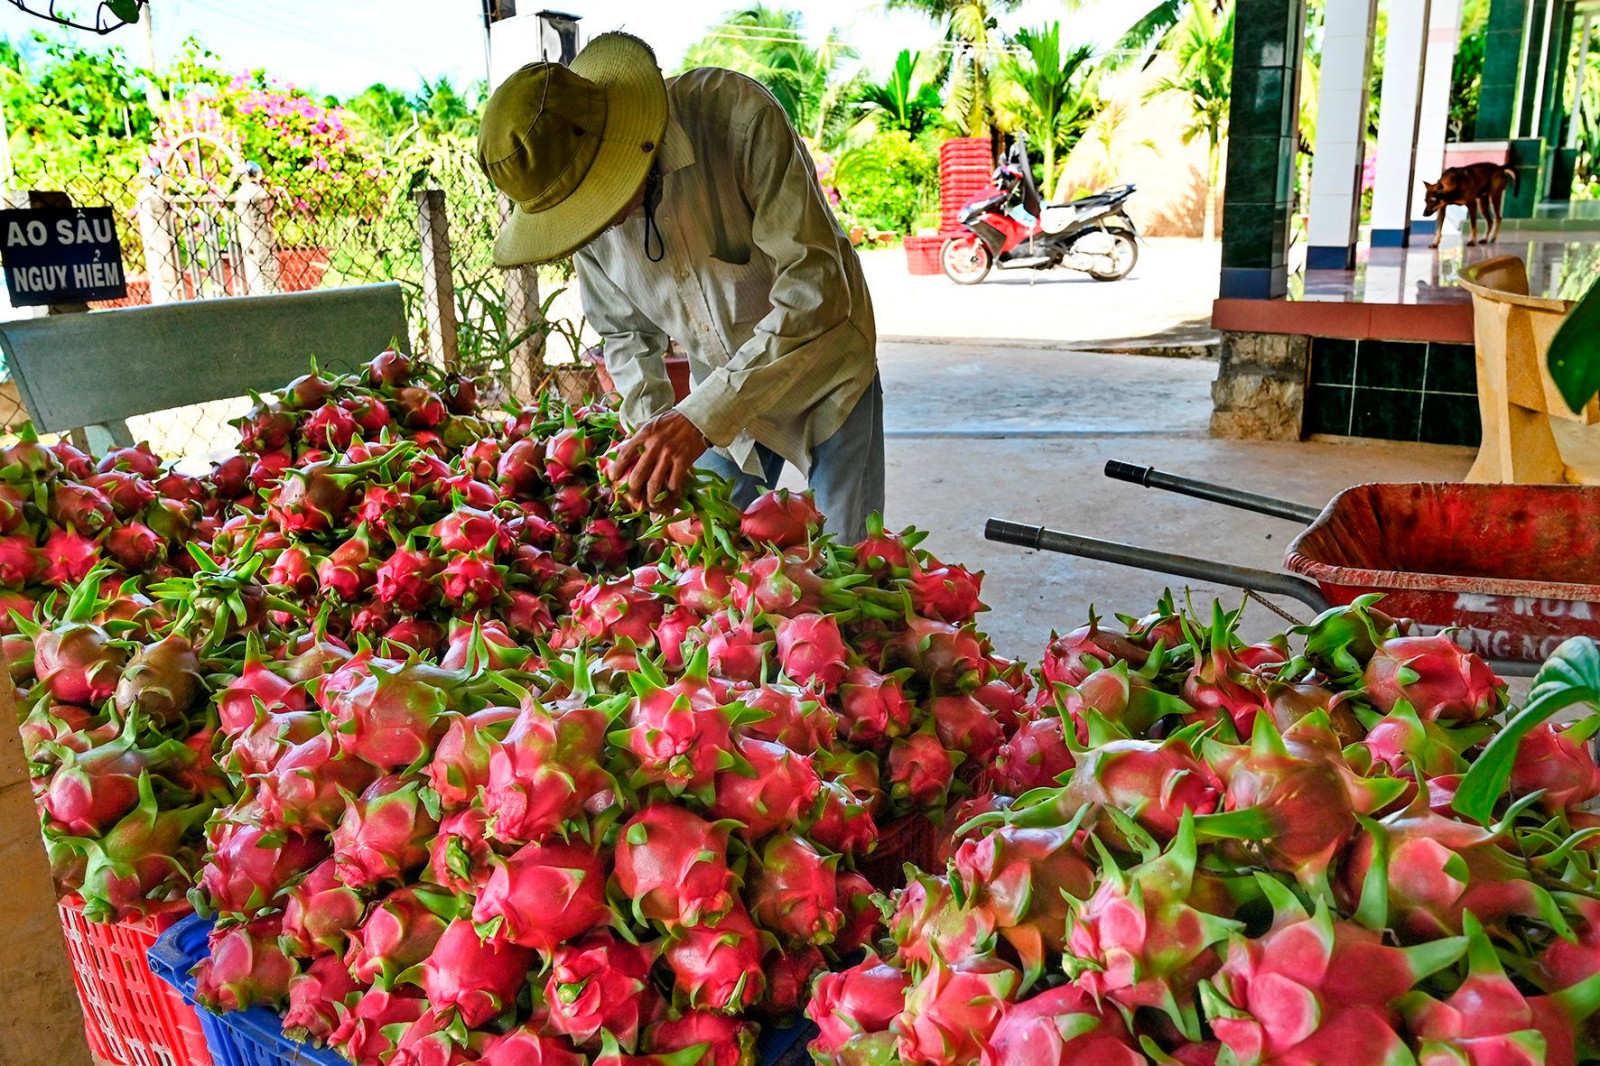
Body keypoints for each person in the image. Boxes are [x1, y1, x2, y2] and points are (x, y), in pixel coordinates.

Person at [476, 31, 883, 541]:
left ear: (620, 143)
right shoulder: (577, 207)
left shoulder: (737, 119)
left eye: (600, 198)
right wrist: (653, 433)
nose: (601, 223)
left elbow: (815, 288)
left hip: (826, 368)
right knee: (703, 554)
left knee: (851, 561)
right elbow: (624, 336)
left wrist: (698, 420)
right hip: (718, 380)